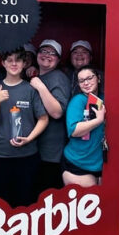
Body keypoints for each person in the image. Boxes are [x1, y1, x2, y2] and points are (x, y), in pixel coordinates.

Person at [0, 48, 49, 208]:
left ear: (24, 63)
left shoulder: (30, 89)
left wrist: (29, 138)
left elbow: (43, 118)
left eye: (18, 60)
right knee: (2, 204)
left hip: (27, 156)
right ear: (3, 63)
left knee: (26, 204)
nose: (14, 63)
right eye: (10, 60)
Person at [29, 39, 71, 198]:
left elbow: (57, 112)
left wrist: (40, 86)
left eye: (52, 53)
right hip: (36, 148)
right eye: (44, 51)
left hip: (51, 153)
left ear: (59, 59)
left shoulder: (58, 77)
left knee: (48, 197)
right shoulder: (36, 75)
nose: (47, 55)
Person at [62, 65, 105, 187]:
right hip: (78, 162)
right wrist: (98, 120)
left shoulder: (105, 98)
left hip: (100, 163)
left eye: (89, 78)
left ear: (98, 78)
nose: (86, 83)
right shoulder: (78, 100)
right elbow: (74, 130)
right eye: (81, 81)